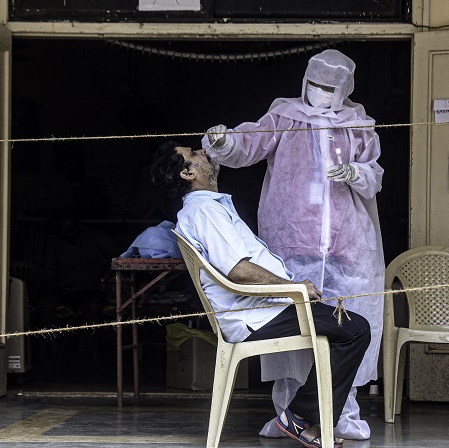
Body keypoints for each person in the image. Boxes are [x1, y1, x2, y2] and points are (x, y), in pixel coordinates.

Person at [202, 49, 384, 440]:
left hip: (346, 247)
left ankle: (342, 414)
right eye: (315, 85)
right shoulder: (285, 116)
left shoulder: (358, 125)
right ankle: (286, 411)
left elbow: (374, 174)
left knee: (346, 327)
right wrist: (223, 141)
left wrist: (355, 172)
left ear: (345, 90)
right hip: (291, 245)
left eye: (329, 89)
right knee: (292, 336)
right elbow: (248, 145)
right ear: (304, 81)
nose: (320, 94)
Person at [151, 140, 371, 448]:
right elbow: (238, 270)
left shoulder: (209, 208)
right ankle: (300, 415)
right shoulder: (204, 212)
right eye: (193, 154)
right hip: (255, 316)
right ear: (188, 174)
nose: (203, 152)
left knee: (348, 326)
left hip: (261, 310)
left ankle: (302, 415)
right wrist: (294, 287)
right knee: (355, 329)